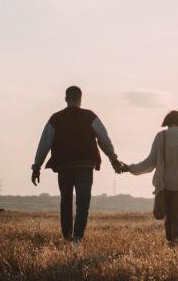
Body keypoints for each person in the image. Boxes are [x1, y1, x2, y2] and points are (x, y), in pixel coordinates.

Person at [31, 86, 125, 247]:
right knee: (83, 204)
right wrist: (113, 159)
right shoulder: (90, 116)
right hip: (85, 166)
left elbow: (44, 143)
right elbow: (104, 139)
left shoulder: (56, 118)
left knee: (65, 202)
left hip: (64, 167)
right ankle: (77, 241)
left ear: (66, 99)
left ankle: (67, 239)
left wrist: (36, 167)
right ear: (80, 99)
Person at [122, 110, 178, 248]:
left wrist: (130, 168)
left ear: (167, 121)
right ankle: (176, 244)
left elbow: (150, 163)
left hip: (165, 185)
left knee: (168, 216)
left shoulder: (161, 136)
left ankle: (171, 243)